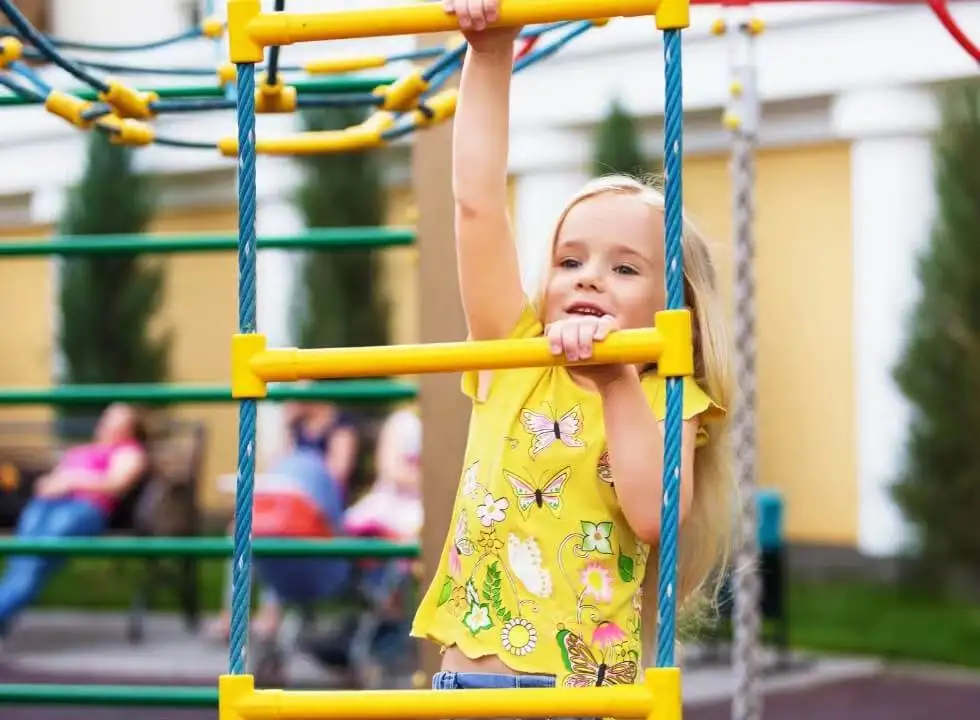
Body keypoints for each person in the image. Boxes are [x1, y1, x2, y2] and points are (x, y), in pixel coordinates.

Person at [409, 0, 736, 699]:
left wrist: (617, 379)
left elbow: (653, 515)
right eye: (570, 261)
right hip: (464, 687)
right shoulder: (512, 354)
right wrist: (491, 55)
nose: (590, 276)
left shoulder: (664, 392)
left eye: (624, 268)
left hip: (580, 697)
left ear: (674, 302)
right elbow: (475, 205)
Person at [205, 400, 359, 641]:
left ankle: (269, 614)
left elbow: (336, 475)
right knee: (244, 531)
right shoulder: (294, 430)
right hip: (290, 511)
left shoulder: (340, 427)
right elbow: (278, 471)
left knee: (278, 535)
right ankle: (232, 614)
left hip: (320, 514)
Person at [0, 403, 149, 641]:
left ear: (131, 427)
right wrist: (50, 485)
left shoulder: (129, 452)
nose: (107, 423)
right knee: (22, 556)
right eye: (107, 417)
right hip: (48, 504)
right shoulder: (84, 450)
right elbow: (54, 478)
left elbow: (116, 483)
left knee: (36, 560)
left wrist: (72, 481)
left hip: (85, 509)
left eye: (117, 419)